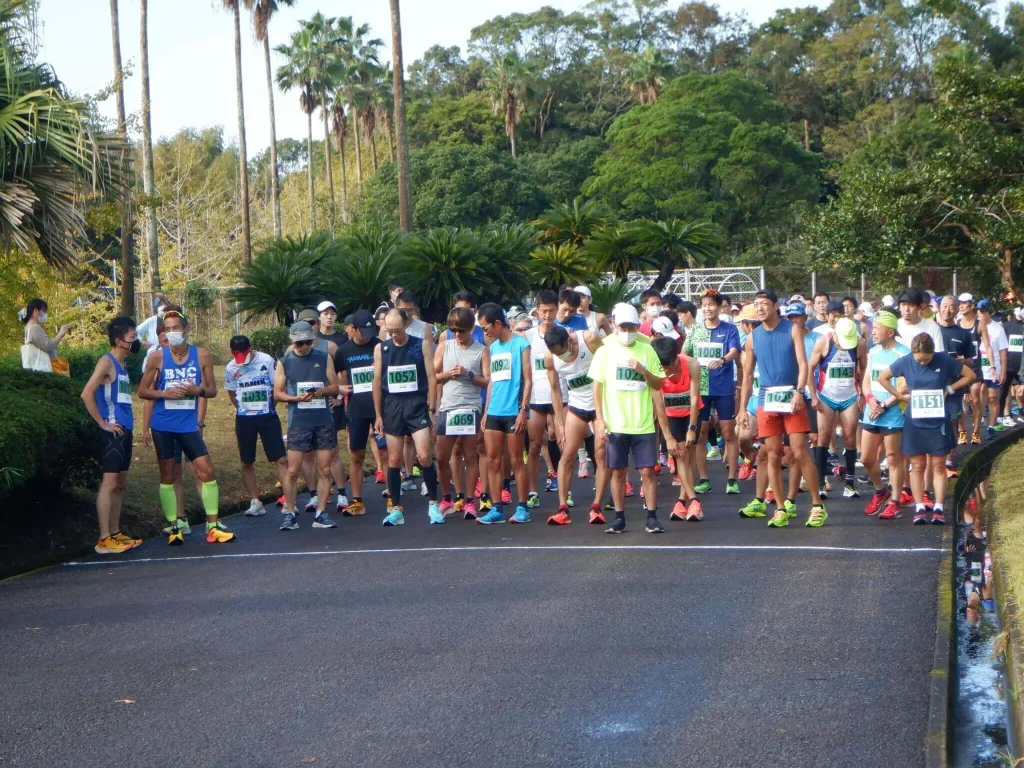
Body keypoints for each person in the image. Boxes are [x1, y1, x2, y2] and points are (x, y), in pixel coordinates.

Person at [138, 309, 235, 544]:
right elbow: (142, 391)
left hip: (188, 425)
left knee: (206, 470)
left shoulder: (201, 355)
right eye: (168, 329)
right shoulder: (157, 357)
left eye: (176, 328)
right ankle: (175, 526)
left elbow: (211, 390)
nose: (172, 333)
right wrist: (164, 392)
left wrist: (197, 391)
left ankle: (213, 525)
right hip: (163, 425)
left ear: (186, 330)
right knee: (168, 475)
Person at [737, 290, 827, 528]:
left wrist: (800, 391)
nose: (760, 308)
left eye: (764, 304)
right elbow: (747, 377)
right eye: (756, 304)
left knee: (799, 452)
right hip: (767, 398)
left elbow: (802, 364)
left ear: (775, 306)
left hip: (792, 396)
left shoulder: (792, 329)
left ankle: (817, 505)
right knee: (773, 454)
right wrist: (743, 409)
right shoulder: (752, 338)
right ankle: (778, 508)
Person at [877, 334, 976, 524]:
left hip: (938, 420)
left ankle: (938, 508)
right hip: (915, 420)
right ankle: (919, 507)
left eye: (926, 359)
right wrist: (899, 395)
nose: (922, 362)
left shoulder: (944, 360)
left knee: (939, 466)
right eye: (918, 359)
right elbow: (883, 378)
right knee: (917, 466)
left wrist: (949, 389)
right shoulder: (906, 361)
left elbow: (970, 375)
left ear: (933, 354)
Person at [590, 303, 666, 534]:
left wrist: (644, 370)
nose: (627, 331)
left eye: (631, 326)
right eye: (623, 326)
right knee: (618, 471)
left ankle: (651, 517)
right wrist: (600, 420)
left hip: (642, 423)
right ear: (614, 325)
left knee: (647, 471)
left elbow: (659, 384)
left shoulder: (647, 350)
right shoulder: (604, 351)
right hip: (616, 424)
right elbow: (597, 387)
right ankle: (619, 517)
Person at [80, 317, 144, 554]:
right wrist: (103, 423)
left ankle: (116, 533)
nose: (136, 341)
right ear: (119, 341)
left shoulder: (123, 365)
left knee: (120, 483)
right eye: (132, 338)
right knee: (109, 483)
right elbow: (86, 394)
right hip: (113, 432)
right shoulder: (106, 363)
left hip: (126, 430)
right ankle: (104, 538)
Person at [373, 308, 442, 525]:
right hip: (392, 406)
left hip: (416, 404)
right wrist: (378, 414)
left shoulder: (420, 344)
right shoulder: (381, 348)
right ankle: (396, 509)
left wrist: (432, 408)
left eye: (397, 330)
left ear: (406, 325)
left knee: (424, 456)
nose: (393, 334)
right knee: (393, 459)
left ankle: (433, 504)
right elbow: (376, 382)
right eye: (389, 330)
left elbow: (432, 377)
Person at [274, 321, 340, 531]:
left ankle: (321, 512)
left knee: (325, 469)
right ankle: (291, 512)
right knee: (293, 471)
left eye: (307, 342)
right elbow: (277, 392)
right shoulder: (285, 362)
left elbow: (335, 386)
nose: (303, 346)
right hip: (299, 422)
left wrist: (323, 391)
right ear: (293, 342)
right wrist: (295, 398)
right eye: (299, 343)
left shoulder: (323, 357)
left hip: (322, 421)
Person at [543, 324, 608, 525]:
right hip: (576, 406)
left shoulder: (589, 339)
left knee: (600, 452)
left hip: (600, 405)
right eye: (556, 355)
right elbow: (555, 390)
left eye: (562, 353)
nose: (561, 358)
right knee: (567, 454)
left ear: (569, 341)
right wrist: (559, 424)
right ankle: (563, 508)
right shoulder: (550, 357)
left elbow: (610, 364)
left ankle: (597, 506)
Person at [477, 302, 532, 524]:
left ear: (497, 323)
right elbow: (491, 382)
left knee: (517, 459)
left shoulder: (521, 344)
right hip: (494, 411)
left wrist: (523, 410)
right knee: (492, 460)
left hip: (513, 411)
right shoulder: (493, 348)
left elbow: (528, 380)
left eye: (486, 327)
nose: (485, 332)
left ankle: (522, 507)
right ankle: (497, 507)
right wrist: (486, 410)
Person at [683, 289, 742, 495]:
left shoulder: (729, 329)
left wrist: (723, 359)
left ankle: (732, 478)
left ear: (718, 306)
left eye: (711, 304)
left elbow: (735, 351)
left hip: (724, 387)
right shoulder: (695, 331)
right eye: (704, 305)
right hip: (701, 389)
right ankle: (704, 478)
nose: (708, 308)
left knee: (728, 433)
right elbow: (684, 354)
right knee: (700, 435)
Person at [223, 335, 288, 517]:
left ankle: (289, 501)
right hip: (245, 418)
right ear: (232, 352)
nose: (242, 358)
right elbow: (231, 393)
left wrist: (268, 407)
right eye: (237, 355)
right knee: (247, 461)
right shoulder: (231, 367)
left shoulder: (266, 360)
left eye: (245, 353)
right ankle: (255, 501)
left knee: (281, 459)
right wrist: (243, 409)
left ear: (251, 348)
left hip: (267, 416)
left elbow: (276, 388)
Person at [433, 306, 488, 520]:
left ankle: (469, 501)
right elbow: (433, 376)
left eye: (462, 331)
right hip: (448, 407)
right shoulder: (444, 347)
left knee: (470, 455)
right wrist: (448, 374)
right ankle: (447, 497)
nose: (457, 335)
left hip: (470, 407)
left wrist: (468, 375)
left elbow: (487, 382)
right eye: (453, 330)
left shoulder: (481, 350)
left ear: (471, 329)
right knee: (442, 456)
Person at [808, 317, 868, 499]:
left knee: (850, 437)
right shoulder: (823, 341)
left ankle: (850, 483)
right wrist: (813, 395)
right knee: (823, 438)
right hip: (826, 396)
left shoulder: (859, 344)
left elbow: (864, 368)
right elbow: (810, 368)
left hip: (849, 396)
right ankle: (819, 484)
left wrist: (863, 394)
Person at [335, 310, 386, 516]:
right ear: (352, 329)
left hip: (380, 408)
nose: (367, 335)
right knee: (356, 454)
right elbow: (338, 376)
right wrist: (340, 390)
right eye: (362, 331)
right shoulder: (343, 351)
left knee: (387, 451)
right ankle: (357, 500)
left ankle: (393, 496)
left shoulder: (380, 346)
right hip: (357, 409)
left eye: (370, 330)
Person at [860, 309, 909, 520]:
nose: (873, 332)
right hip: (872, 410)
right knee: (867, 458)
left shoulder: (904, 353)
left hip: (894, 410)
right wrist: (870, 399)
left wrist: (886, 404)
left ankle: (895, 501)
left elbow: (905, 386)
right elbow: (866, 379)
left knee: (892, 457)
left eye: (878, 329)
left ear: (890, 332)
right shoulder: (873, 351)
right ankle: (881, 491)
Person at [651, 337, 703, 521]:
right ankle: (694, 501)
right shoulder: (654, 371)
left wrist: (692, 427)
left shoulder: (692, 365)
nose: (668, 370)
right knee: (680, 455)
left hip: (692, 414)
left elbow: (695, 398)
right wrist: (668, 437)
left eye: (671, 364)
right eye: (663, 366)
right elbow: (659, 408)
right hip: (671, 415)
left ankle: (681, 501)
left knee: (688, 456)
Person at [525, 291, 561, 506]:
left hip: (560, 396)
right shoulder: (527, 336)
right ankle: (532, 492)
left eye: (551, 310)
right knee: (535, 445)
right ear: (537, 311)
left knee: (561, 442)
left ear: (557, 310)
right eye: (544, 311)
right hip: (536, 398)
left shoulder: (565, 333)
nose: (547, 315)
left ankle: (564, 492)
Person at [937, 295, 976, 467]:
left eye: (951, 307)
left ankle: (948, 460)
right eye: (944, 306)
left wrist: (963, 361)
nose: (947, 310)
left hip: (954, 385)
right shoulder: (932, 330)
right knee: (933, 421)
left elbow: (971, 360)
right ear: (939, 308)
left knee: (952, 420)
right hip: (933, 384)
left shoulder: (964, 334)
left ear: (957, 309)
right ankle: (934, 456)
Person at [978, 299, 1008, 439]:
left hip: (993, 367)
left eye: (985, 312)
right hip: (979, 367)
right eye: (980, 312)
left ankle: (991, 426)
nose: (983, 315)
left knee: (993, 398)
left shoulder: (998, 328)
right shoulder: (975, 326)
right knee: (978, 395)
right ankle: (979, 422)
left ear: (990, 312)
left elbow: (1003, 352)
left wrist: (1003, 371)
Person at [20, 298, 69, 371]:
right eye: (43, 311)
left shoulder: (29, 327)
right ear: (36, 311)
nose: (45, 315)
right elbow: (48, 346)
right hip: (43, 370)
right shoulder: (34, 327)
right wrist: (60, 334)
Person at [896, 287, 945, 352]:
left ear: (919, 307)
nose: (906, 309)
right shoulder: (894, 326)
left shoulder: (933, 328)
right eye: (903, 305)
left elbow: (939, 355)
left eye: (911, 305)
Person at [999, 305, 1023, 427]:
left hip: (1021, 367)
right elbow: (1001, 346)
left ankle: (1020, 412)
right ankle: (1005, 415)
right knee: (1004, 391)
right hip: (1008, 366)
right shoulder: (1007, 326)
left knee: (1020, 392)